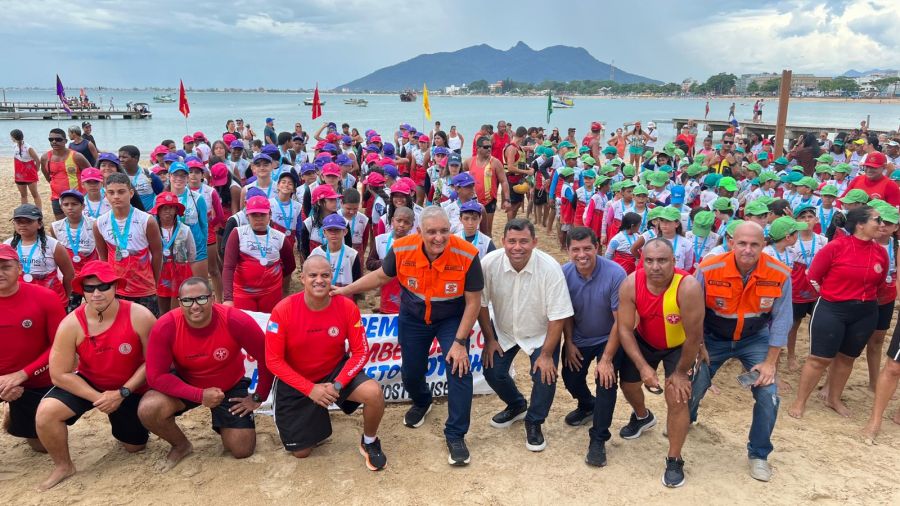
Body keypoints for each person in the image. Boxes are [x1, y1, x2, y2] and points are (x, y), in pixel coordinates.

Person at [333, 206, 483, 466]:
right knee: (412, 372)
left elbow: (473, 302)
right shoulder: (403, 248)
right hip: (413, 317)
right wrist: (346, 290)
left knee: (459, 368)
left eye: (444, 231)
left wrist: (459, 342)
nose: (439, 238)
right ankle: (423, 401)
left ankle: (456, 434)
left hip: (451, 318)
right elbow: (381, 276)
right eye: (432, 232)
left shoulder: (467, 254)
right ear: (419, 231)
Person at [34, 261, 156, 490]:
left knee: (134, 446)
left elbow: (154, 363)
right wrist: (98, 398)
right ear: (82, 291)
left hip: (129, 385)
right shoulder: (71, 324)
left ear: (116, 286)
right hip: (91, 382)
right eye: (89, 288)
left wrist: (122, 393)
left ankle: (128, 428)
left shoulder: (140, 316)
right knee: (46, 413)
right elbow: (59, 375)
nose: (96, 293)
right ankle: (63, 465)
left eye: (103, 286)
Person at [688, 222, 790, 482]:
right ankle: (686, 420)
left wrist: (770, 363)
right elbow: (695, 311)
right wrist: (698, 347)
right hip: (712, 336)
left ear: (763, 245)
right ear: (731, 242)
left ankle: (759, 454)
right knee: (694, 381)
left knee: (769, 393)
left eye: (754, 244)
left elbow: (782, 320)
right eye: (742, 243)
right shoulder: (708, 269)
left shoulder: (780, 273)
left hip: (754, 338)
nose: (747, 249)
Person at [267, 256, 387, 471]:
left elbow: (361, 351)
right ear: (302, 278)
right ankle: (314, 422)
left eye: (325, 275)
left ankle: (369, 442)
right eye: (313, 275)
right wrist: (310, 389)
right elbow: (273, 361)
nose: (319, 280)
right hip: (299, 378)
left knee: (374, 393)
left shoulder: (346, 306)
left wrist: (338, 384)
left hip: (334, 371)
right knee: (301, 453)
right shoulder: (283, 310)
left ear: (332, 277)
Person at [139, 277, 273, 468]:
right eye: (187, 301)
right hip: (187, 383)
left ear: (212, 299)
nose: (195, 306)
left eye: (201, 299)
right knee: (149, 409)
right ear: (179, 302)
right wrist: (199, 395)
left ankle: (224, 424)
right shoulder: (166, 325)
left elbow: (267, 356)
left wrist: (259, 395)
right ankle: (181, 445)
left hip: (229, 386)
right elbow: (155, 376)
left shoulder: (234, 320)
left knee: (242, 449)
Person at [479, 219, 573, 452]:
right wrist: (490, 339)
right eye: (511, 241)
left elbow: (558, 316)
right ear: (503, 242)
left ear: (535, 242)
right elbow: (480, 304)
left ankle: (534, 421)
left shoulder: (550, 267)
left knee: (545, 375)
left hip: (540, 333)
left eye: (524, 241)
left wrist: (547, 354)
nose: (517, 247)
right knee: (492, 371)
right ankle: (517, 405)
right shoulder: (489, 263)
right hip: (505, 330)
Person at [617, 238, 704, 487]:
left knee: (677, 396)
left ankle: (674, 458)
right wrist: (644, 367)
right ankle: (643, 416)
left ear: (674, 262)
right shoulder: (631, 283)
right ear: (642, 261)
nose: (656, 267)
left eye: (662, 260)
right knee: (629, 385)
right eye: (650, 261)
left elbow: (694, 336)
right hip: (645, 340)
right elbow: (624, 329)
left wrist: (680, 372)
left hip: (680, 346)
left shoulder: (687, 286)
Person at [789, 206, 888, 419]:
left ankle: (834, 398)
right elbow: (813, 275)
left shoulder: (880, 251)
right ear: (860, 225)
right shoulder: (836, 247)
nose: (881, 224)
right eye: (877, 219)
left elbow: (879, 284)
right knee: (819, 358)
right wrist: (830, 295)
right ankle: (800, 401)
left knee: (847, 358)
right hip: (832, 308)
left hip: (865, 311)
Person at [558, 227, 631, 465]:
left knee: (606, 382)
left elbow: (620, 320)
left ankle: (598, 439)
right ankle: (587, 404)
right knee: (570, 377)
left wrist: (607, 359)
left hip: (609, 337)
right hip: (578, 336)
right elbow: (564, 312)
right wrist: (568, 342)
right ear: (568, 250)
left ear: (597, 247)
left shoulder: (615, 273)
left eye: (587, 248)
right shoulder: (564, 273)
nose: (582, 255)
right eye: (575, 249)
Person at [0, 243, 65, 453]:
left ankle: (16, 413)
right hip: (2, 380)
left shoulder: (45, 297)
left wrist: (22, 375)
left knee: (40, 447)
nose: (0, 273)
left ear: (19, 269)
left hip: (36, 379)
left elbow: (60, 346)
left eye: (5, 267)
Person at [93, 172, 163, 316]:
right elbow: (103, 258)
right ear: (105, 195)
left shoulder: (146, 220)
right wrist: (107, 284)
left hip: (145, 287)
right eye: (111, 192)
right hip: (117, 289)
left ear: (131, 193)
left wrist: (154, 282)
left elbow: (157, 254)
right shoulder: (100, 223)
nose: (116, 196)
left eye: (121, 192)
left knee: (148, 330)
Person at [222, 196, 294, 312]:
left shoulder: (280, 238)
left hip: (271, 292)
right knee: (245, 327)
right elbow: (228, 267)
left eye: (262, 214)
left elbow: (290, 265)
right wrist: (228, 298)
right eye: (254, 215)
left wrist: (273, 276)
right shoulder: (238, 234)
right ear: (247, 216)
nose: (258, 218)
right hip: (243, 293)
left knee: (269, 326)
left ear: (270, 215)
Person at [6, 203, 75, 308]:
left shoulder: (53, 245)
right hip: (20, 300)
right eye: (19, 221)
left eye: (28, 221)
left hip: (50, 301)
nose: (23, 225)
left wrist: (65, 296)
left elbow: (69, 274)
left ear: (39, 224)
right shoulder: (7, 245)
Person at [366, 207, 414, 314]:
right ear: (392, 221)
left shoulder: (414, 244)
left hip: (406, 291)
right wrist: (387, 264)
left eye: (406, 222)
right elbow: (369, 263)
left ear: (411, 226)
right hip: (385, 290)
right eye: (399, 220)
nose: (401, 225)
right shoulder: (380, 239)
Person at [464, 136, 510, 237]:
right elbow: (461, 177)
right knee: (472, 230)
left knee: (487, 232)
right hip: (473, 201)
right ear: (478, 148)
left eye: (490, 146)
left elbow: (504, 181)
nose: (489, 149)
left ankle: (488, 251)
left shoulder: (495, 163)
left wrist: (507, 199)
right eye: (486, 147)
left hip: (489, 201)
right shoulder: (469, 162)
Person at [40, 128, 91, 220]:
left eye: (58, 139)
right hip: (57, 197)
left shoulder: (76, 156)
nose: (54, 142)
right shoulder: (45, 158)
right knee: (61, 225)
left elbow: (90, 175)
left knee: (78, 223)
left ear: (65, 141)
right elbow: (48, 177)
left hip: (76, 196)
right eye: (51, 139)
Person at [309, 214, 362, 287]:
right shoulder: (316, 253)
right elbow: (309, 278)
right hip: (321, 295)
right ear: (324, 232)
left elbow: (357, 282)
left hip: (344, 296)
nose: (333, 233)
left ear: (345, 232)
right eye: (330, 230)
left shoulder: (352, 255)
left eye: (337, 229)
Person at [10, 129, 42, 208]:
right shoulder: (15, 146)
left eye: (11, 137)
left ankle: (39, 212)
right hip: (19, 175)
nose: (11, 138)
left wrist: (36, 170)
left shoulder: (28, 147)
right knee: (23, 195)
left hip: (30, 174)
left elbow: (37, 160)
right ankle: (24, 212)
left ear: (14, 137)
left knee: (35, 195)